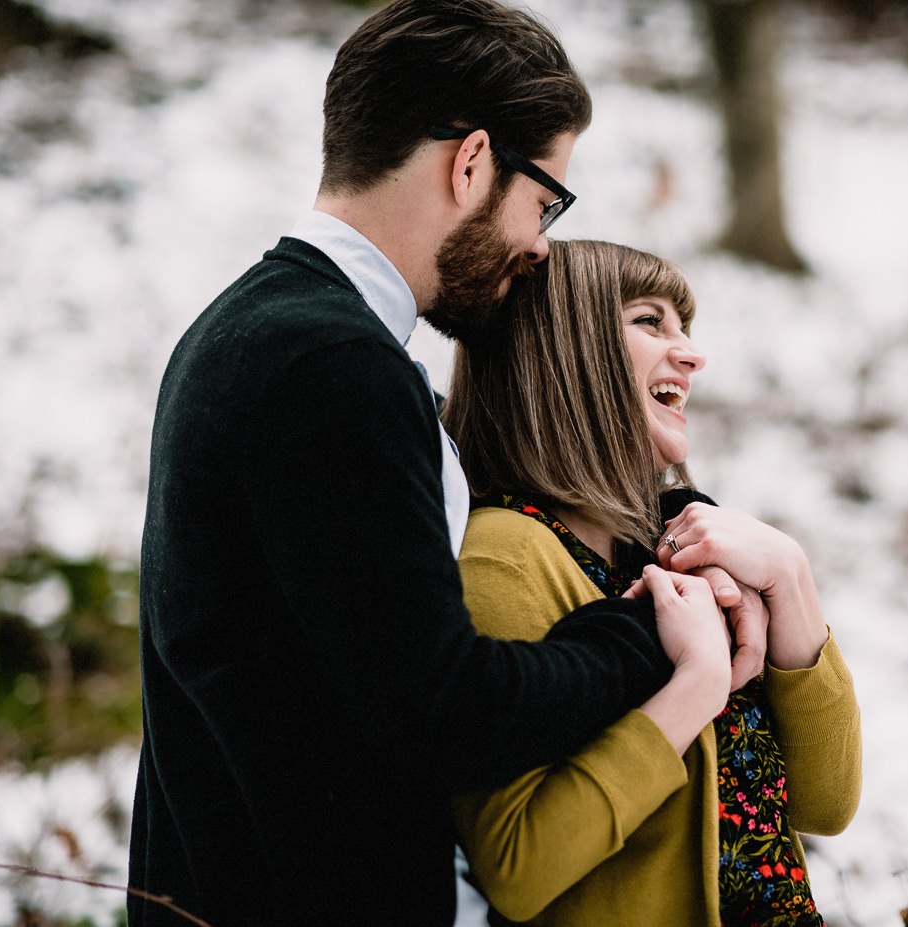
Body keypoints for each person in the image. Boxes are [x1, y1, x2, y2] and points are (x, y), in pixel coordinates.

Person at [127, 4, 746, 926]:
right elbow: (447, 714)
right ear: (471, 163)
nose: (540, 244)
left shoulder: (251, 329)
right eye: (545, 202)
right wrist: (642, 634)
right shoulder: (331, 366)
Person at [442, 240, 862, 926]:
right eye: (649, 321)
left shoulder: (672, 553)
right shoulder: (505, 558)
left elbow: (827, 802)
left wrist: (790, 576)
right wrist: (695, 685)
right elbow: (516, 868)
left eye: (685, 327)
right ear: (564, 352)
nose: (691, 354)